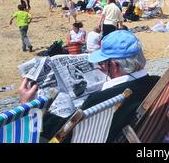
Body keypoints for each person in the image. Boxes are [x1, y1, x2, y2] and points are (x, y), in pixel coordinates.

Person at [19, 30, 160, 143]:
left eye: (103, 63)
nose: (100, 67)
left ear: (115, 65)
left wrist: (29, 106)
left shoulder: (105, 99)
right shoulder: (156, 82)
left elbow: (63, 133)